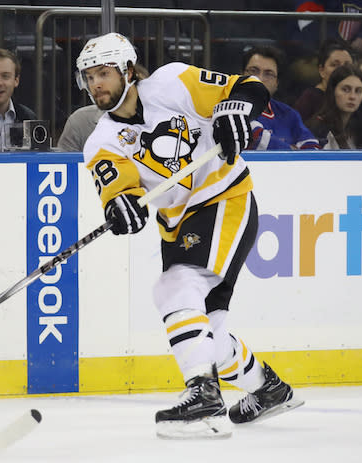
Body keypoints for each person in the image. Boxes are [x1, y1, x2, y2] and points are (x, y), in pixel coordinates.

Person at [76, 32, 303, 439]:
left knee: (173, 287)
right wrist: (122, 208)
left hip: (225, 198)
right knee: (208, 332)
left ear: (128, 71)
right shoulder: (101, 142)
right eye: (89, 76)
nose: (97, 84)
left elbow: (248, 88)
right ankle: (268, 389)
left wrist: (235, 114)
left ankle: (203, 398)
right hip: (178, 226)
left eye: (105, 73)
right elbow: (121, 194)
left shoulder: (171, 82)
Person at [57, 64, 150, 152]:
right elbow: (63, 164)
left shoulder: (160, 115)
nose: (95, 85)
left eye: (104, 74)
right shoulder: (80, 122)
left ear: (128, 74)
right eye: (90, 78)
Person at [242, 46, 319, 150]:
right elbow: (256, 139)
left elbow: (312, 147)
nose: (259, 78)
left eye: (268, 74)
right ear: (241, 75)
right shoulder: (231, 107)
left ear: (276, 83)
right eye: (253, 71)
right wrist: (292, 149)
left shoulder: (288, 114)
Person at [305, 63, 362, 149]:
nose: (352, 96)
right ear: (333, 91)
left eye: (358, 91)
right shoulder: (317, 129)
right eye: (345, 90)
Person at [293, 38, 354, 122]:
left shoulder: (355, 97)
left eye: (347, 65)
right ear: (321, 70)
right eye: (335, 65)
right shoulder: (310, 99)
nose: (342, 70)